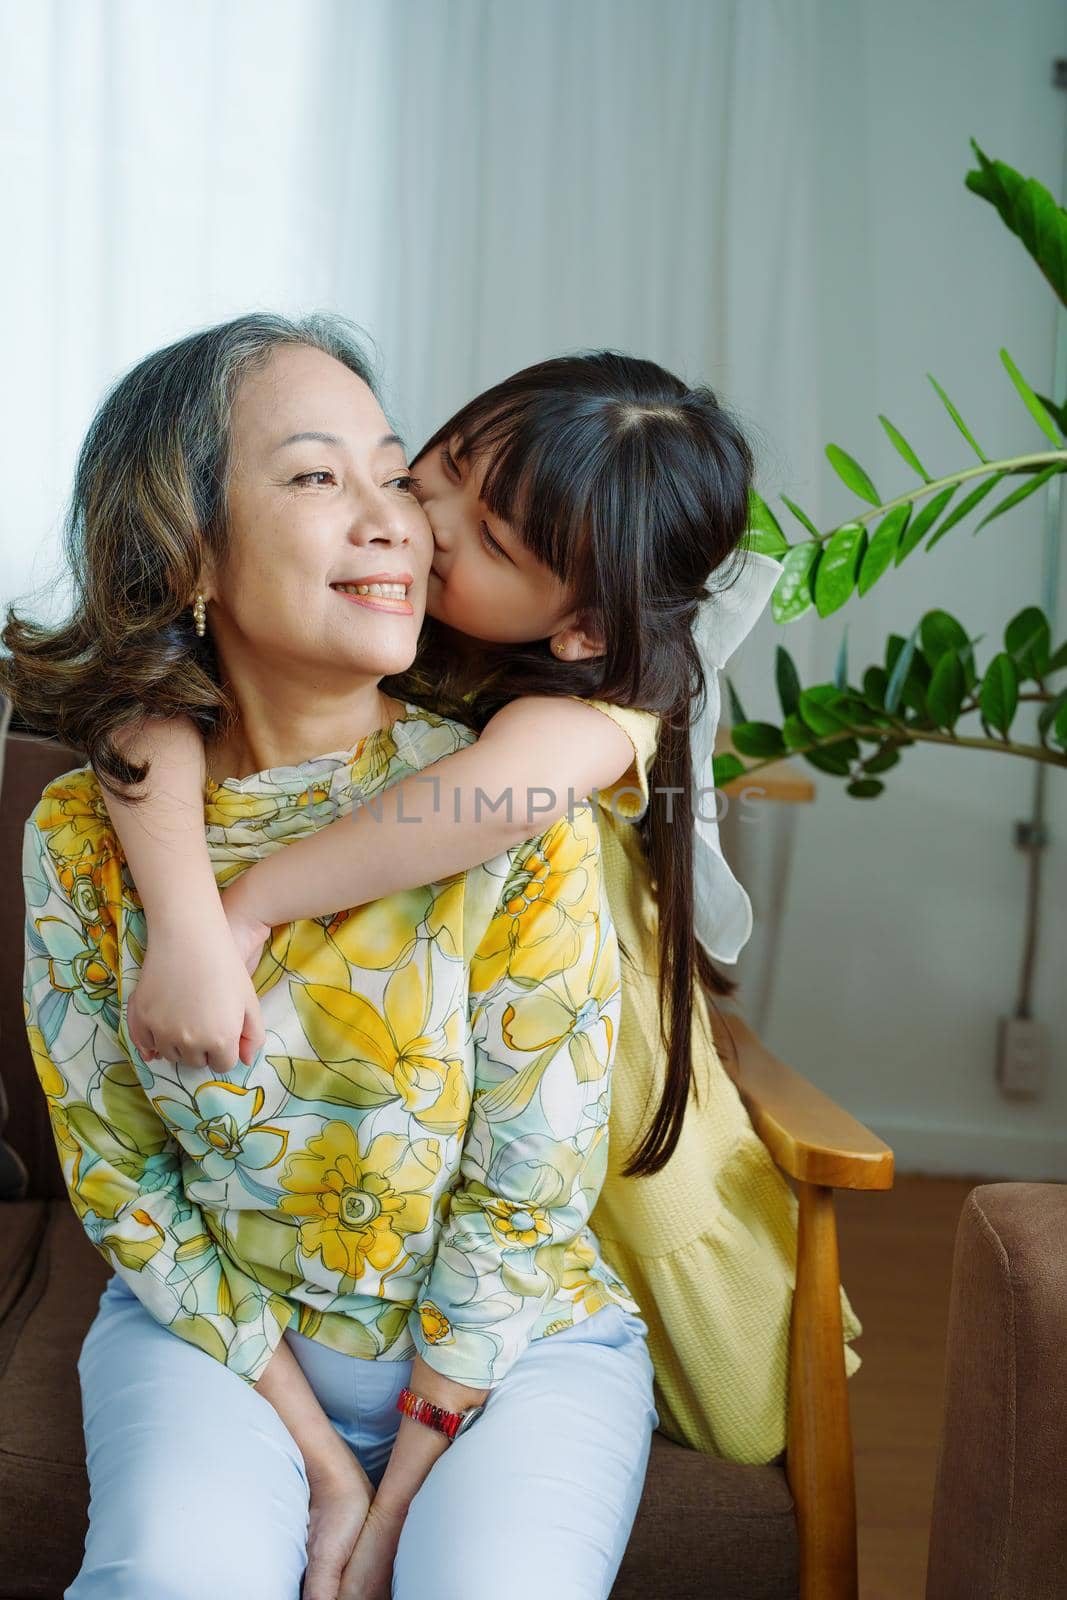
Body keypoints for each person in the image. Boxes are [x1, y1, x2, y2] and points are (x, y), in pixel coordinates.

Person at [92, 343, 859, 1463]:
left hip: (597, 1110)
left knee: (736, 1414)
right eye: (432, 469)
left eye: (490, 537)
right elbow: (142, 712)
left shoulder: (602, 709)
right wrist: (184, 917)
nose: (425, 521)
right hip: (405, 1142)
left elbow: (481, 802)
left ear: (582, 627)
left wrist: (248, 903)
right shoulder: (386, 632)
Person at [6, 314, 658, 1600]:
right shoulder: (91, 831)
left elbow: (532, 1179)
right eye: (314, 475)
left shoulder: (505, 801)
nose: (394, 521)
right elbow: (120, 1172)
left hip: (515, 1343)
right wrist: (317, 1457)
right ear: (189, 544)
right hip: (213, 1343)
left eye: (393, 470)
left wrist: (401, 1479)